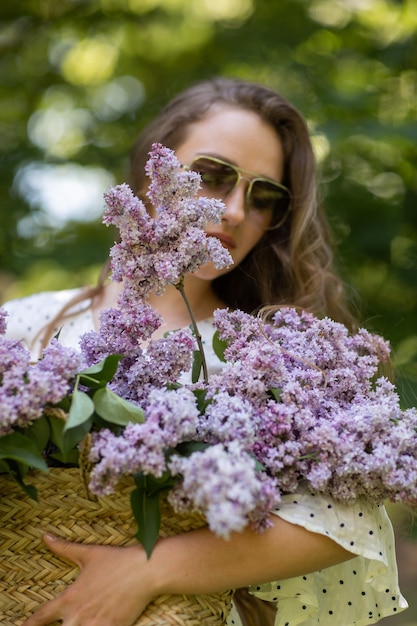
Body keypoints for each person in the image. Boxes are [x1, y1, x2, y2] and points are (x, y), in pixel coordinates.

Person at [2, 77, 406, 626]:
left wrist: (149, 570)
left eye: (265, 196)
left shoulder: (271, 355)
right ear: (155, 168)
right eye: (214, 175)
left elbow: (354, 520)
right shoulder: (27, 327)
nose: (237, 210)